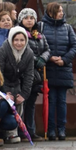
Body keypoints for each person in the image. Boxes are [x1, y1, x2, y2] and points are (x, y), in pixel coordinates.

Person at [40, 2, 76, 141]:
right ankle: (51, 129)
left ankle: (62, 129)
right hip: (49, 69)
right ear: (51, 12)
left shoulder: (67, 28)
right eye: (59, 11)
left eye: (62, 11)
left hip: (63, 69)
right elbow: (39, 45)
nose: (62, 13)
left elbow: (74, 46)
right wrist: (49, 57)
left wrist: (65, 59)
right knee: (51, 100)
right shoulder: (42, 27)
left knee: (62, 100)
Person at [0, 26, 34, 144]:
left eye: (22, 40)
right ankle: (4, 132)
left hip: (16, 83)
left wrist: (24, 94)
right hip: (3, 82)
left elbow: (29, 75)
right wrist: (4, 91)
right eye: (16, 40)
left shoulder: (28, 53)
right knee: (5, 105)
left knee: (19, 104)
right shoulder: (3, 50)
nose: (19, 43)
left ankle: (14, 133)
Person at [18, 8, 49, 140]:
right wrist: (35, 60)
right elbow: (22, 49)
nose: (29, 20)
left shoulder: (39, 35)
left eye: (31, 18)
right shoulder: (19, 34)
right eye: (26, 18)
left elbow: (47, 49)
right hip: (24, 73)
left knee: (31, 104)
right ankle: (21, 131)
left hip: (37, 74)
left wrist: (43, 58)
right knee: (22, 104)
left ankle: (31, 131)